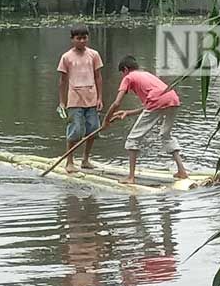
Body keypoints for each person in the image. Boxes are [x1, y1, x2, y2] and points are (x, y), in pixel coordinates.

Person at [103, 56, 188, 185]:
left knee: (133, 139)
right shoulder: (146, 75)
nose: (122, 76)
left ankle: (131, 177)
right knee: (165, 135)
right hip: (173, 100)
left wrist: (106, 120)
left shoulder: (128, 77)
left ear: (125, 70)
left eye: (122, 73)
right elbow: (149, 106)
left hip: (160, 102)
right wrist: (127, 113)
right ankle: (182, 171)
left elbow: (116, 103)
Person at [57, 26, 103, 173]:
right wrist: (62, 102)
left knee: (93, 130)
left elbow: (98, 77)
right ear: (72, 40)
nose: (82, 41)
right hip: (74, 99)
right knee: (75, 130)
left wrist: (100, 98)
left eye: (84, 38)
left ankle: (85, 159)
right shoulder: (66, 57)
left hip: (92, 97)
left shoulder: (94, 55)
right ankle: (69, 161)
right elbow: (63, 81)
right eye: (79, 38)